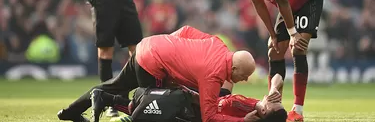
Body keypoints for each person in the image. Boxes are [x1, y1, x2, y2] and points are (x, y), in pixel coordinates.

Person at [57, 25, 257, 122]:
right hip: (153, 63)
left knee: (116, 84)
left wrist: (168, 47)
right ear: (235, 68)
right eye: (245, 75)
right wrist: (243, 121)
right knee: (163, 109)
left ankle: (70, 112)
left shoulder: (218, 44)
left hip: (149, 45)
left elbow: (186, 30)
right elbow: (210, 117)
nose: (246, 79)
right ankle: (109, 101)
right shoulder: (212, 75)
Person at [224, 0, 324, 122]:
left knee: (298, 47)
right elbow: (258, 4)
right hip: (288, 5)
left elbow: (282, 1)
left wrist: (293, 34)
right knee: (274, 49)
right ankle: (272, 107)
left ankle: (297, 110)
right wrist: (272, 35)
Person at [99, 74, 287, 122]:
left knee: (167, 99)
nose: (271, 100)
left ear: (264, 112)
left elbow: (211, 115)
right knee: (227, 74)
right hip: (214, 98)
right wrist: (273, 89)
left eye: (271, 104)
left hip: (202, 109)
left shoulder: (247, 116)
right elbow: (278, 76)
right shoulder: (260, 105)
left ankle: (113, 101)